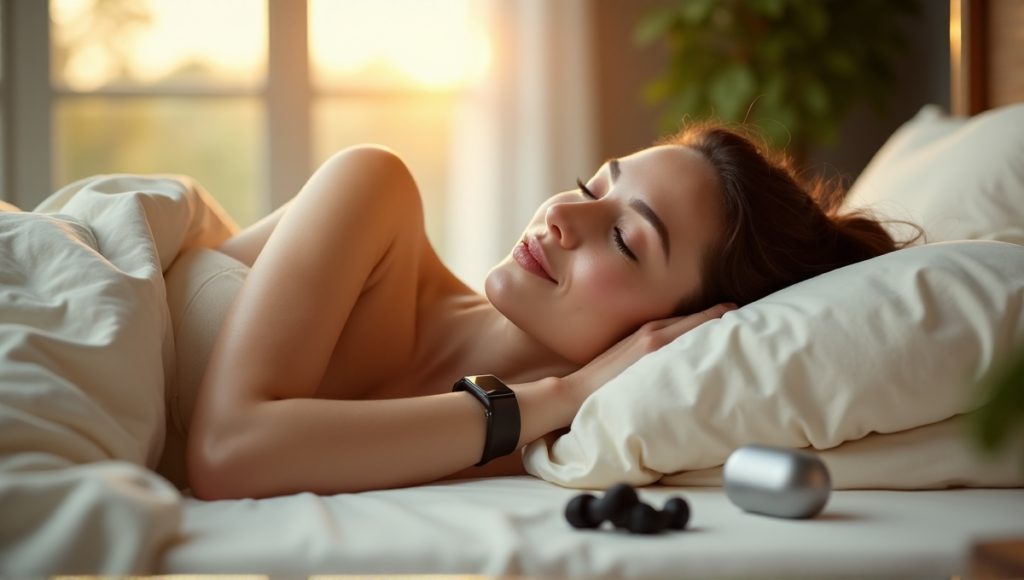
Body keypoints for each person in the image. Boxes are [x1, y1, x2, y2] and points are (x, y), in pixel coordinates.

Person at [187, 121, 901, 500]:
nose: (562, 215)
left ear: (679, 331)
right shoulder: (376, 190)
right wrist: (569, 391)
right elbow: (228, 453)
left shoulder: (540, 458)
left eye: (623, 238)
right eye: (590, 187)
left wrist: (558, 408)